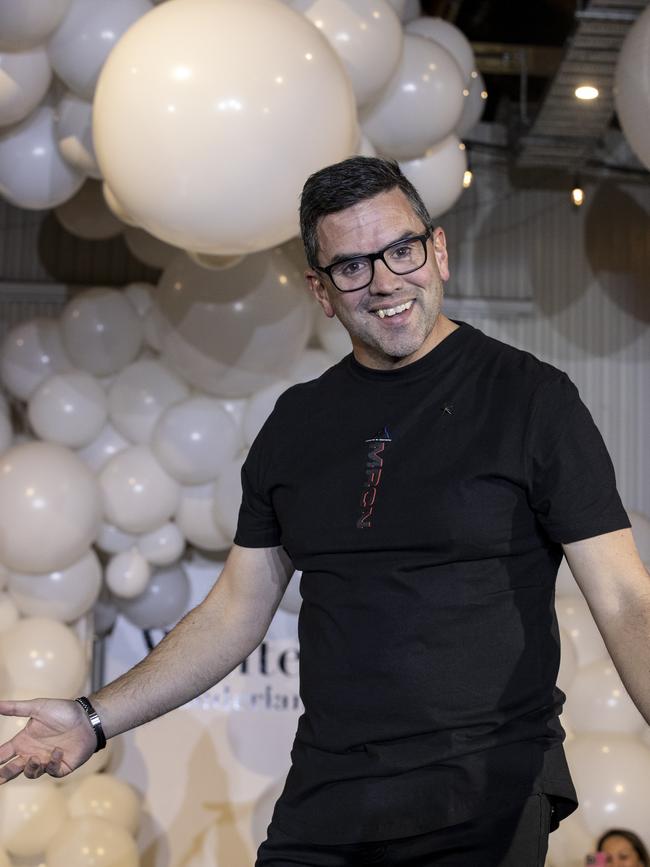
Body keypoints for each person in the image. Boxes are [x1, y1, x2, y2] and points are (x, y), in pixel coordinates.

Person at [0, 156, 648, 867]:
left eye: (401, 249)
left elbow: (623, 598)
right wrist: (94, 719)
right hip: (329, 799)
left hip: (483, 793)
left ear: (438, 250)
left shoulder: (532, 399)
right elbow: (231, 614)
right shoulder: (296, 425)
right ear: (321, 290)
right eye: (352, 266)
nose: (384, 281)